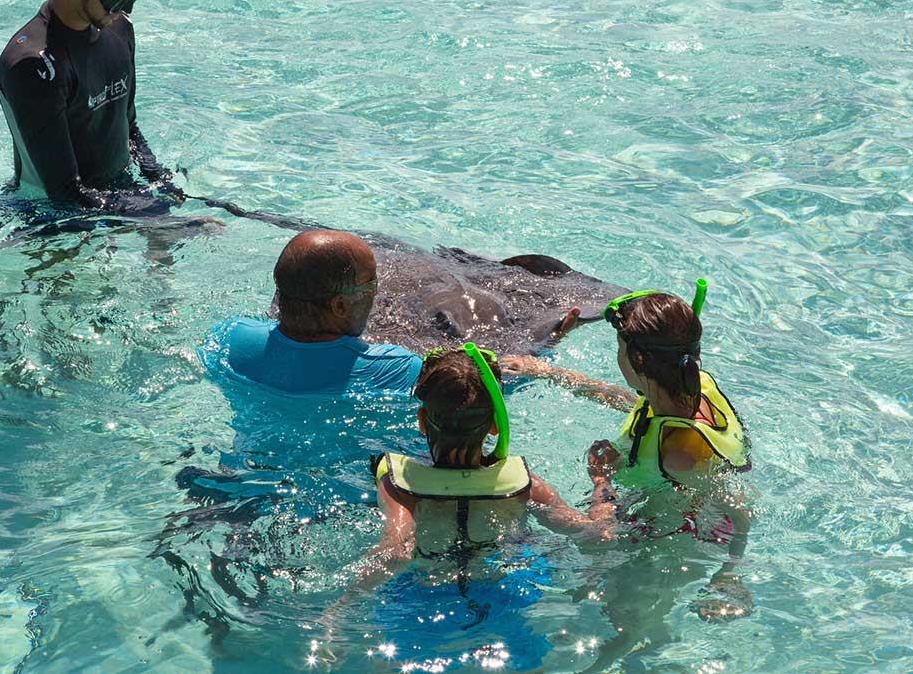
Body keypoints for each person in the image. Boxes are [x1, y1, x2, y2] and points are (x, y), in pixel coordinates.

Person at [317, 344, 609, 669]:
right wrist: (601, 483)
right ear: (496, 425)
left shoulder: (401, 486)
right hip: (504, 592)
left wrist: (339, 609)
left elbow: (395, 552)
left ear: (422, 422)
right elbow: (594, 533)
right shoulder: (524, 484)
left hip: (421, 597)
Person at [505, 286, 754, 621]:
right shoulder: (689, 383)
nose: (617, 357)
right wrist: (551, 373)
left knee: (558, 561)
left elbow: (741, 512)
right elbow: (629, 401)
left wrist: (730, 572)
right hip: (667, 497)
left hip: (682, 534)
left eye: (620, 350)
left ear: (637, 360)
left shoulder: (680, 452)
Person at [0, 0, 185, 212]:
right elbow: (64, 192)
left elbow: (128, 127)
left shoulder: (120, 29)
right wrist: (151, 215)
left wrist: (159, 182)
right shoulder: (33, 65)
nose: (126, 8)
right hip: (48, 219)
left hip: (116, 198)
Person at [201, 230, 421, 393]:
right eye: (371, 284)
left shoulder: (228, 337)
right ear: (340, 306)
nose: (375, 293)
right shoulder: (398, 370)